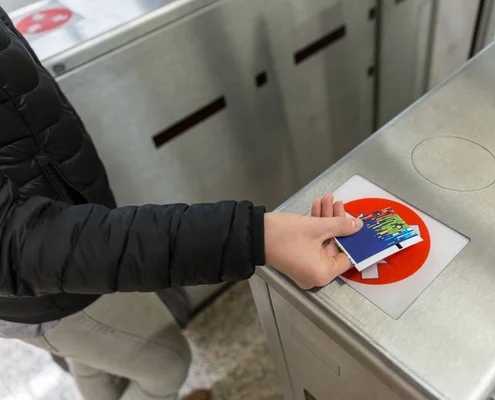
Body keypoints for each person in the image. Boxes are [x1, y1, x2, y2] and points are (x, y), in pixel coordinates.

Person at [0, 7, 362, 400]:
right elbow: (14, 244)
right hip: (46, 288)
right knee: (166, 364)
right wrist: (255, 236)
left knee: (94, 358)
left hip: (68, 240)